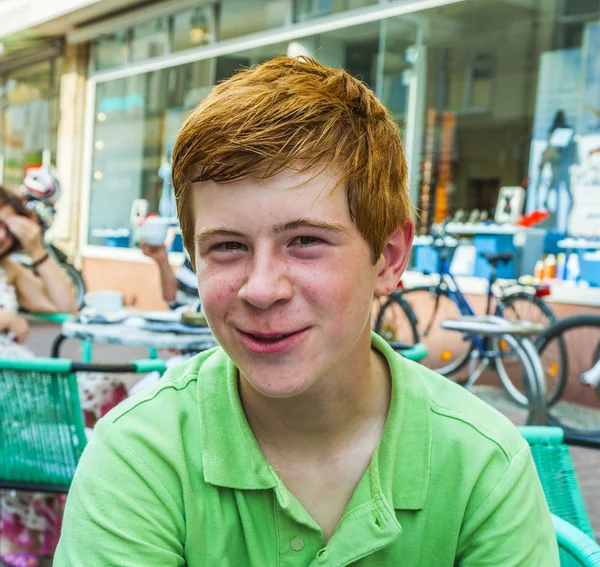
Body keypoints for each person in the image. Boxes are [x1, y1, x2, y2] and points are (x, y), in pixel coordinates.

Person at [55, 56, 559, 566]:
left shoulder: (481, 466)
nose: (261, 288)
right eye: (227, 246)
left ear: (387, 259)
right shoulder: (140, 455)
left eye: (305, 241)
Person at [0, 185, 126, 567]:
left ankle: (92, 483)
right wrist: (7, 318)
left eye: (8, 225)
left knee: (109, 387)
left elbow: (66, 307)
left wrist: (37, 250)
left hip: (18, 382)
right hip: (13, 383)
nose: (2, 232)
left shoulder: (10, 269)